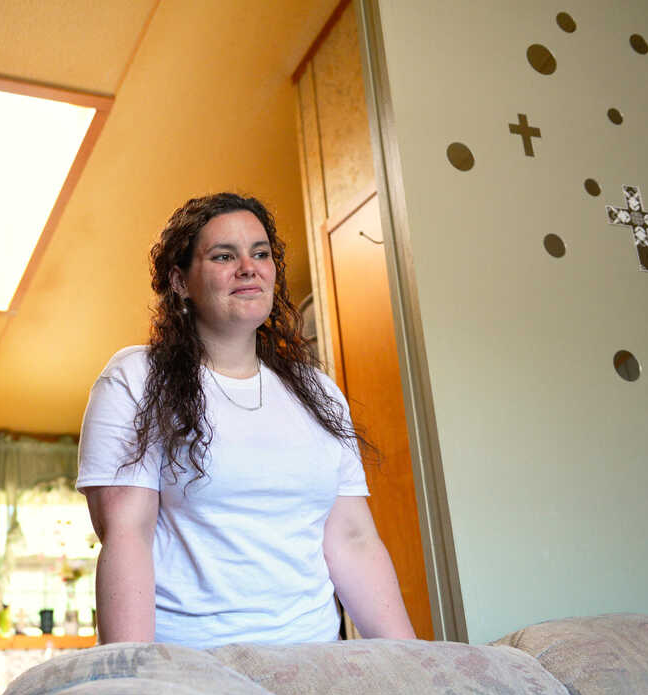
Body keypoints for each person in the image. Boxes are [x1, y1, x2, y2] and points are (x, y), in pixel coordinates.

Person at [76, 192, 415, 648]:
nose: (248, 268)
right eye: (223, 256)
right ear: (179, 281)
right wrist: (132, 672)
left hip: (315, 660)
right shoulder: (136, 377)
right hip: (192, 661)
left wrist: (411, 662)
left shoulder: (318, 392)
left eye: (260, 253)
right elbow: (126, 535)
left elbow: (353, 539)